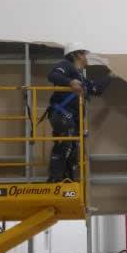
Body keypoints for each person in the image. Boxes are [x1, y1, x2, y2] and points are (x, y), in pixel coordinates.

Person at [45, 43, 114, 183]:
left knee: (73, 147)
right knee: (66, 144)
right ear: (76, 54)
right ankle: (54, 180)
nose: (87, 57)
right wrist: (70, 82)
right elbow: (52, 75)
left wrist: (112, 75)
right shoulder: (66, 65)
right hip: (62, 114)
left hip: (71, 117)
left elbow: (95, 89)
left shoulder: (80, 77)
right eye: (85, 54)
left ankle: (67, 179)